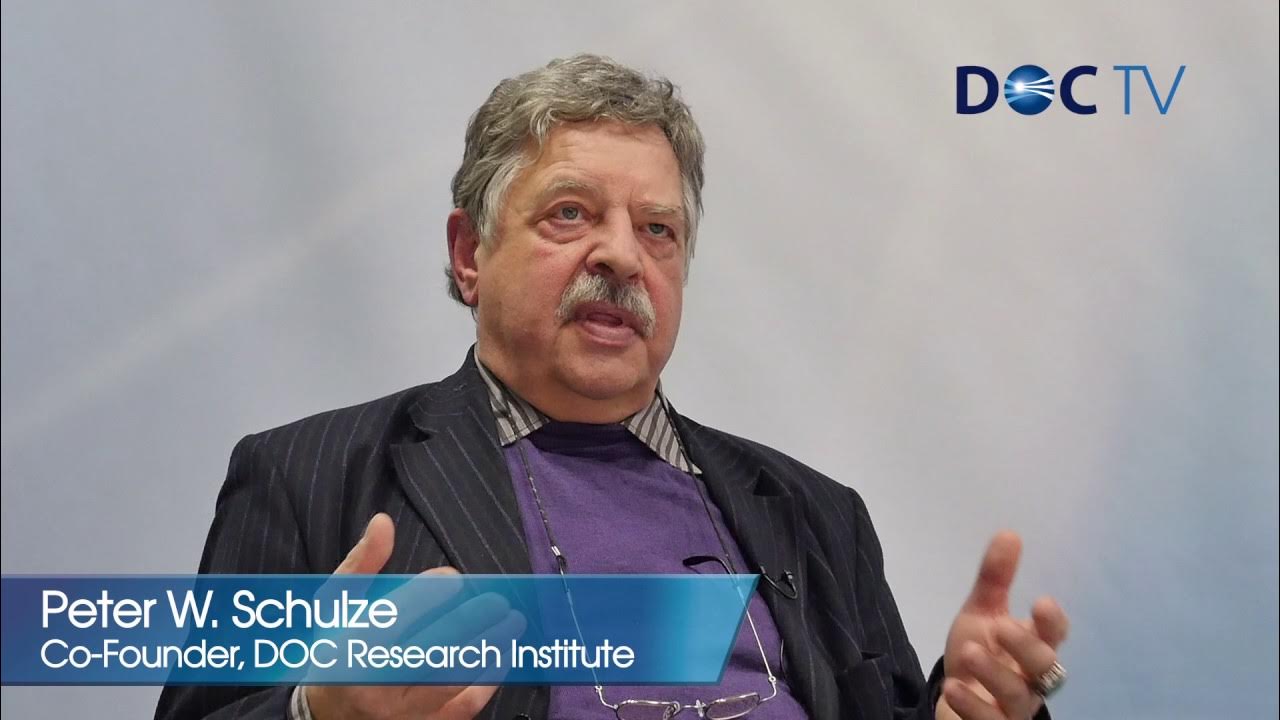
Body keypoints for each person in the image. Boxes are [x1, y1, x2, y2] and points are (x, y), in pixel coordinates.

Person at [155, 54, 1068, 720]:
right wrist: (318, 710)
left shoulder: (815, 513)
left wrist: (972, 709)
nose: (623, 256)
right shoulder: (313, 475)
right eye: (571, 214)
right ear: (470, 254)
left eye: (658, 229)